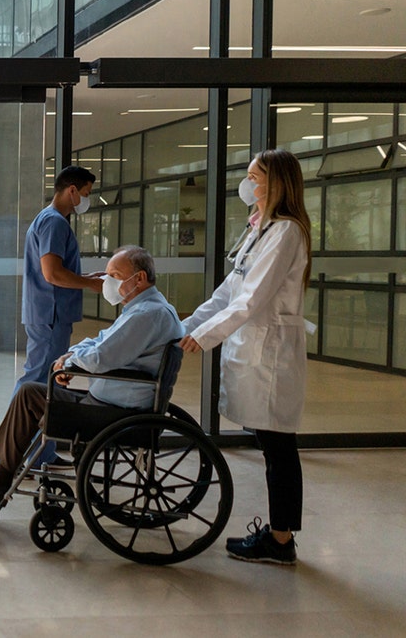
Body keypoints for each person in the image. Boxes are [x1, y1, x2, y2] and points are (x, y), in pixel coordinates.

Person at [0, 245, 183, 504]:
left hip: (114, 413)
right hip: (113, 404)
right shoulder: (144, 309)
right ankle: (0, 477)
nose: (107, 282)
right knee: (31, 391)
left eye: (115, 276)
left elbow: (101, 357)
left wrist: (70, 363)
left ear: (139, 278)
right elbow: (99, 341)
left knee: (29, 394)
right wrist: (68, 358)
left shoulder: (147, 315)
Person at [180, 149, 311, 566]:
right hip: (255, 348)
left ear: (275, 184)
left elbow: (252, 300)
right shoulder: (260, 229)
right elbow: (227, 293)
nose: (247, 183)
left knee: (278, 449)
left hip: (271, 353)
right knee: (272, 445)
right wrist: (184, 326)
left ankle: (280, 539)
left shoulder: (286, 232)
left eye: (254, 176)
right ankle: (280, 536)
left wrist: (205, 337)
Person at [16, 165, 104, 468]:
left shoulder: (48, 220)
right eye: (87, 194)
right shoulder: (55, 223)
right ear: (72, 190)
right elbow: (52, 273)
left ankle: (40, 455)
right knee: (39, 384)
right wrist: (89, 284)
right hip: (50, 315)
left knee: (42, 383)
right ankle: (20, 457)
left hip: (46, 313)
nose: (86, 200)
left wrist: (86, 276)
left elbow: (57, 269)